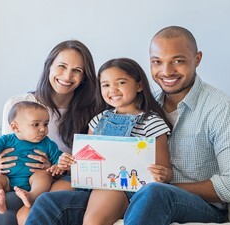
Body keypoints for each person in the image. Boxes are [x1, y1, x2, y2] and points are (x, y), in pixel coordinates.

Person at [25, 26, 230, 225]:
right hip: (129, 192)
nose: (166, 71)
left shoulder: (222, 109)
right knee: (49, 203)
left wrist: (152, 188)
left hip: (198, 205)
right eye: (158, 62)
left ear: (197, 59)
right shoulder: (144, 105)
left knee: (153, 192)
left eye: (178, 61)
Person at [0, 40, 102, 225]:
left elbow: (88, 160)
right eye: (62, 66)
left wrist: (55, 166)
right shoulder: (19, 104)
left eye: (77, 70)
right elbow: (7, 144)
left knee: (7, 209)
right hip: (14, 174)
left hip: (52, 179)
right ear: (49, 66)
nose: (67, 76)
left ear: (84, 77)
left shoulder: (92, 110)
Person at [56, 58, 172, 225]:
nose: (113, 89)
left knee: (93, 220)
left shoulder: (151, 123)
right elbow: (84, 158)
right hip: (90, 182)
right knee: (50, 197)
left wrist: (162, 174)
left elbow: (166, 172)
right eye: (106, 85)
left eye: (121, 82)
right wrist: (69, 163)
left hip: (124, 188)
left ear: (139, 86)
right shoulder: (98, 120)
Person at [0, 101, 63, 217]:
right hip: (7, 180)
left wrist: (57, 166)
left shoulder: (48, 143)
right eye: (36, 125)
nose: (43, 129)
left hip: (33, 182)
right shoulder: (6, 140)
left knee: (44, 175)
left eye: (45, 124)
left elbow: (58, 159)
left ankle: (32, 196)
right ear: (15, 127)